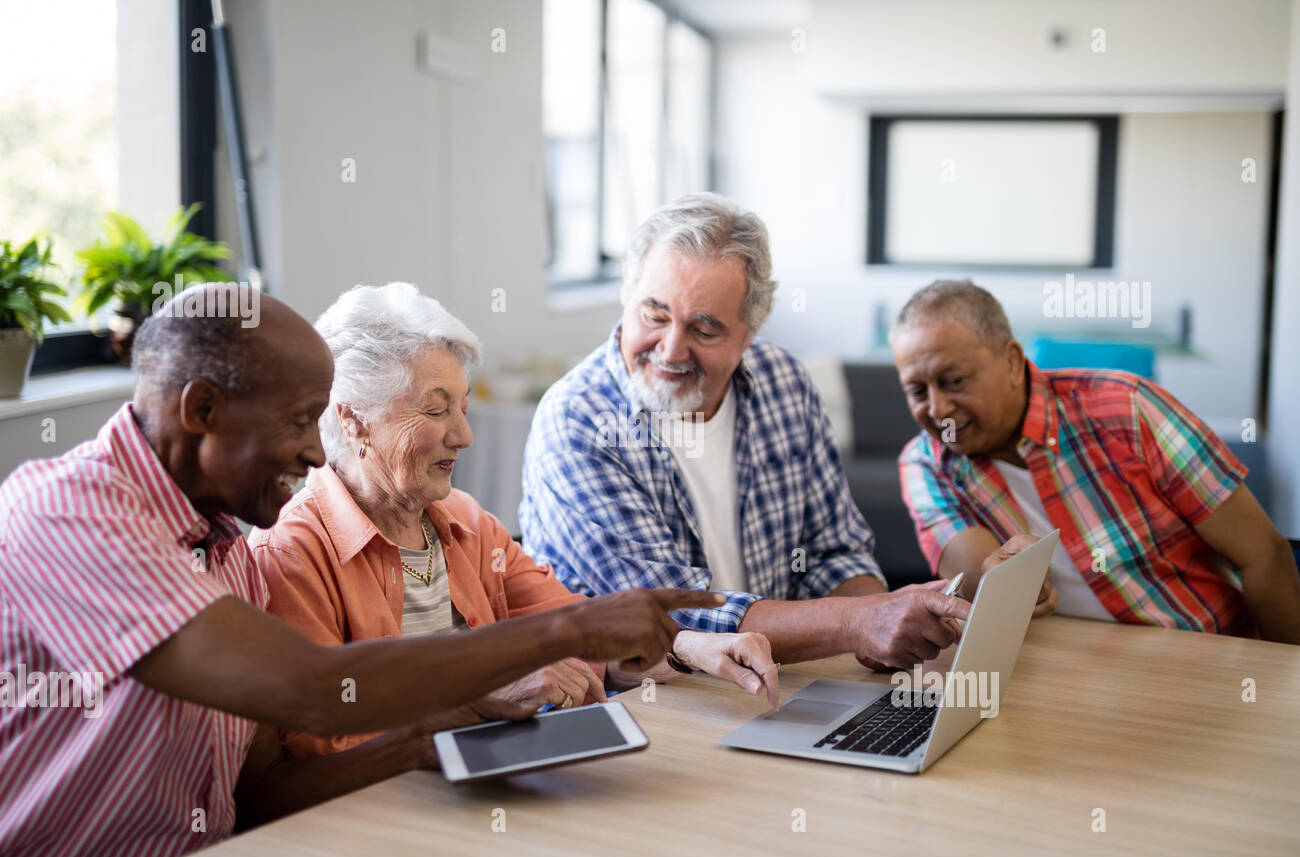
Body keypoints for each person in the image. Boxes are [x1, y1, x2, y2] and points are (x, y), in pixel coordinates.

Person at [0, 283, 713, 857]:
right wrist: (569, 628)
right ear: (203, 411)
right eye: (301, 422)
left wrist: (435, 740)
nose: (317, 454)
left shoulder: (227, 556)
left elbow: (263, 798)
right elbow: (315, 689)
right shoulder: (68, 510)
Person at [249, 282, 779, 759]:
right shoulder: (291, 553)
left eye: (463, 408)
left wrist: (692, 647)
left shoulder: (465, 523)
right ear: (352, 419)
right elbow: (317, 746)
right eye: (436, 412)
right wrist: (475, 696)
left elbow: (579, 629)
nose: (463, 436)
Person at [520, 193, 971, 678]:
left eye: (704, 328)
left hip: (775, 684)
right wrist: (856, 622)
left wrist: (875, 626)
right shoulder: (578, 421)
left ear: (747, 335)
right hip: (644, 705)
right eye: (654, 315)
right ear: (627, 300)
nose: (671, 349)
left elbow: (832, 551)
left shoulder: (784, 382)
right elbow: (669, 613)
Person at [891, 278, 1300, 643]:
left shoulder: (1128, 408)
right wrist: (1006, 580)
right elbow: (981, 585)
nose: (938, 408)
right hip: (1067, 676)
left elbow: (1265, 555)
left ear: (1012, 362)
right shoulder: (926, 464)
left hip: (1202, 654)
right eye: (917, 391)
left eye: (955, 381)